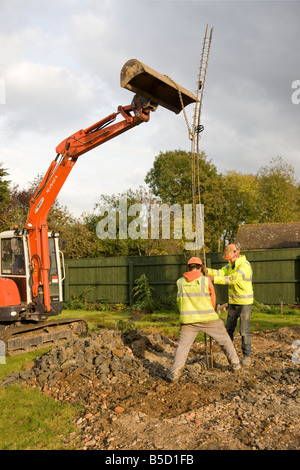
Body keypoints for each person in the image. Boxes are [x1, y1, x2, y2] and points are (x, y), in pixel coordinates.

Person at [166, 257, 241, 382]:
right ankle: (236, 365)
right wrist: (210, 310)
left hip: (188, 321)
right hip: (209, 319)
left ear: (188, 268)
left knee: (182, 347)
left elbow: (179, 301)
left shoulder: (180, 282)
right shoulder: (205, 281)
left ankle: (174, 374)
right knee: (225, 340)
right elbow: (213, 299)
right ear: (201, 267)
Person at [205, 244, 253, 367]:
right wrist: (206, 270)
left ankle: (247, 356)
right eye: (228, 259)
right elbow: (220, 272)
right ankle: (226, 351)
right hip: (233, 303)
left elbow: (232, 279)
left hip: (244, 304)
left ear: (237, 254)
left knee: (244, 331)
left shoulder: (244, 266)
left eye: (230, 258)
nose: (229, 261)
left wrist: (213, 279)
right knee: (229, 329)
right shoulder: (231, 265)